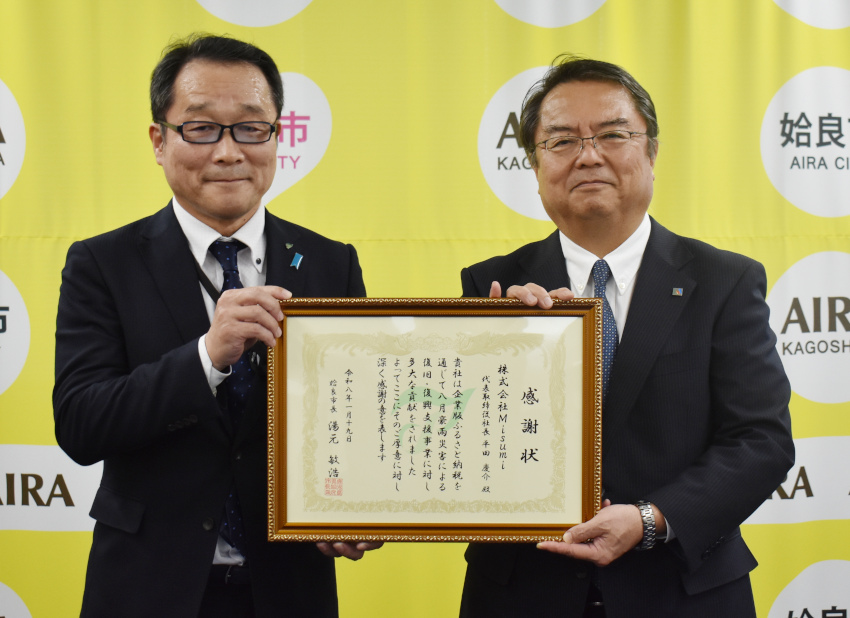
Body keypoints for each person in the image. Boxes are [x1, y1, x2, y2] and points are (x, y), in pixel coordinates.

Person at [53, 34, 379, 617]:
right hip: (147, 587)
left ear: (278, 136)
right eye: (201, 128)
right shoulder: (103, 262)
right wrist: (205, 357)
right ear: (159, 140)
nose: (229, 152)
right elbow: (81, 422)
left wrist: (362, 510)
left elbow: (356, 423)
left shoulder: (331, 262)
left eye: (251, 128)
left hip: (289, 589)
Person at [458, 56, 794, 617]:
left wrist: (651, 519)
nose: (588, 155)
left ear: (652, 151)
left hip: (682, 591)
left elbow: (761, 441)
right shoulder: (493, 286)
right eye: (561, 141)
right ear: (535, 164)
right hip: (523, 592)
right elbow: (459, 450)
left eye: (612, 134)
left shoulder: (724, 281)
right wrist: (503, 356)